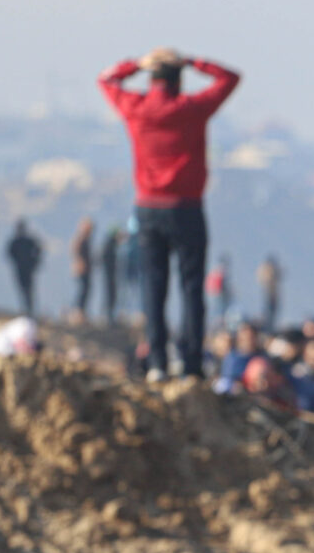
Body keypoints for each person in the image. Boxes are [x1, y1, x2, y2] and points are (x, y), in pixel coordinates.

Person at [98, 46, 242, 379]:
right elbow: (230, 78)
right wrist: (192, 60)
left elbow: (106, 80)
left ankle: (158, 362)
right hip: (187, 208)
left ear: (152, 80)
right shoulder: (192, 108)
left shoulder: (136, 108)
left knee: (154, 288)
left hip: (147, 208)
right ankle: (191, 364)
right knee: (192, 289)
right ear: (179, 81)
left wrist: (136, 63)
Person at [5, 220, 42, 316]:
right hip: (22, 268)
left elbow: (38, 250)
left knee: (27, 289)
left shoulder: (27, 241)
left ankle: (29, 309)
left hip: (26, 268)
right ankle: (27, 309)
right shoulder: (18, 241)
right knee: (24, 289)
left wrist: (34, 262)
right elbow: (10, 253)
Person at [68, 218, 95, 318]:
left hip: (86, 269)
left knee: (86, 290)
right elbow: (75, 252)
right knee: (82, 290)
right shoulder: (81, 239)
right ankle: (77, 311)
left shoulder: (86, 239)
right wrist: (79, 263)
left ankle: (81, 310)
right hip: (82, 269)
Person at [99, 225, 123, 323]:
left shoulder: (110, 243)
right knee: (110, 294)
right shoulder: (109, 244)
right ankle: (108, 316)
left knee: (111, 294)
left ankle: (110, 315)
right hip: (109, 273)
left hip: (110, 273)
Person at [258, 253, 283, 329]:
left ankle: (271, 326)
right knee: (268, 311)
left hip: (273, 293)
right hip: (268, 292)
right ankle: (268, 326)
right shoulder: (265, 271)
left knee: (273, 311)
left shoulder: (271, 271)